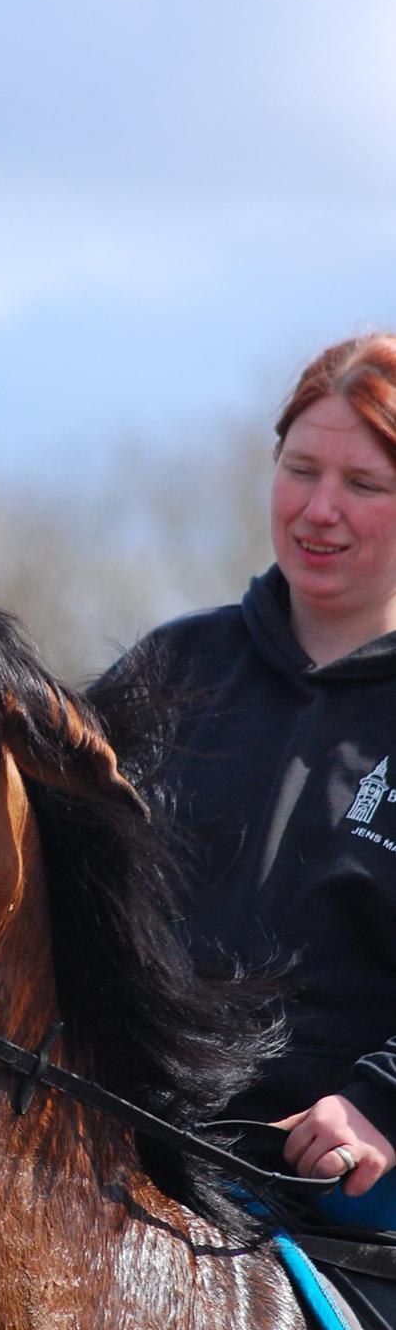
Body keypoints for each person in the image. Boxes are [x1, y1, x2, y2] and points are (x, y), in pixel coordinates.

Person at [126, 333, 396, 1228]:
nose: (318, 509)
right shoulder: (169, 672)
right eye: (299, 469)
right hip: (129, 1164)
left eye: (363, 485)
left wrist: (374, 1107)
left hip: (352, 1191)